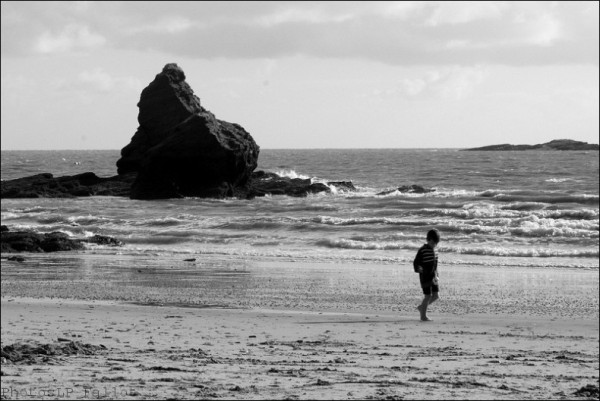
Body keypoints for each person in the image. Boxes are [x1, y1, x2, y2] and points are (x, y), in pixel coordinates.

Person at [413, 229, 440, 321]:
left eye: (435, 243)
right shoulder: (423, 250)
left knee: (436, 296)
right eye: (432, 242)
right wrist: (419, 269)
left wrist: (437, 275)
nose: (433, 245)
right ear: (428, 240)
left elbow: (436, 264)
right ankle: (423, 316)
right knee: (427, 296)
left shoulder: (436, 250)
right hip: (425, 277)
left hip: (434, 276)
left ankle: (422, 307)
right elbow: (416, 262)